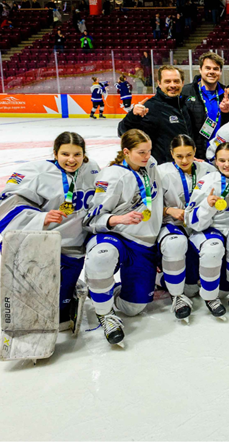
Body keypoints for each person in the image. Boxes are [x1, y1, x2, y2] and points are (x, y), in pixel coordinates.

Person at [0, 132, 100, 332]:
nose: (71, 160)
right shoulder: (37, 172)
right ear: (55, 153)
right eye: (65, 154)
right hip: (42, 246)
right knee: (38, 306)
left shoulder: (92, 169)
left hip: (74, 249)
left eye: (77, 154)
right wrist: (40, 218)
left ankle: (70, 290)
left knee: (60, 318)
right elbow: (3, 208)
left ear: (84, 154)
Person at [83, 130, 164, 346]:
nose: (146, 156)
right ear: (126, 152)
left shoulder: (151, 165)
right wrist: (118, 219)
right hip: (115, 237)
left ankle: (105, 291)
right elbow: (91, 220)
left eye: (148, 151)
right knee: (102, 257)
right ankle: (105, 312)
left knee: (133, 309)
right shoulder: (111, 177)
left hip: (144, 243)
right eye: (140, 152)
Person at [185, 143, 229, 317]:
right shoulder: (207, 182)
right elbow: (191, 221)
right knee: (213, 248)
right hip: (208, 230)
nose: (227, 164)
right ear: (215, 162)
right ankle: (209, 297)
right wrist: (207, 206)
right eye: (222, 160)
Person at [156, 135, 216, 322]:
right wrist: (167, 209)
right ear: (171, 154)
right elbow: (146, 203)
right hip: (172, 225)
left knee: (192, 287)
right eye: (179, 156)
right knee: (176, 244)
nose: (184, 160)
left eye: (188, 155)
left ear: (195, 152)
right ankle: (175, 294)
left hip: (199, 225)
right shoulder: (160, 173)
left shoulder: (208, 170)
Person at [119, 66, 193, 164]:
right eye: (167, 81)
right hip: (164, 168)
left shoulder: (188, 103)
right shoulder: (151, 107)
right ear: (159, 83)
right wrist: (133, 116)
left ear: (182, 82)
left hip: (187, 164)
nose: (172, 85)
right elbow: (123, 131)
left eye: (176, 81)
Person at [181, 51, 229, 160]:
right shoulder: (186, 92)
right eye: (208, 68)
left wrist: (228, 113)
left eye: (215, 69)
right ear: (200, 70)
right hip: (195, 156)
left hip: (221, 155)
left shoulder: (226, 95)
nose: (212, 72)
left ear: (220, 72)